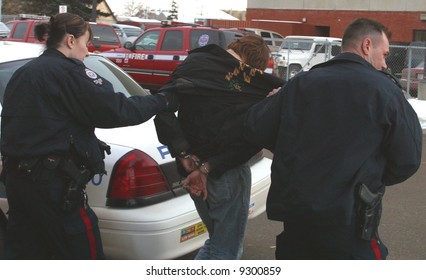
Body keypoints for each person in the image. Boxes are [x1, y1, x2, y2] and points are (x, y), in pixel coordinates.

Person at [0, 13, 176, 260]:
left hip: (18, 184)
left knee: (26, 253)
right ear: (71, 41)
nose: (87, 50)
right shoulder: (69, 73)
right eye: (86, 42)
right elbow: (119, 110)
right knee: (83, 254)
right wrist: (163, 99)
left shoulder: (24, 73)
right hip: (53, 188)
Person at [244, 18, 422, 260]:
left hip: (298, 217)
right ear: (367, 46)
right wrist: (368, 178)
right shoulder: (385, 91)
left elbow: (256, 127)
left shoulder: (299, 84)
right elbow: (407, 160)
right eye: (384, 54)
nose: (384, 63)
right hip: (350, 222)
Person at [154, 34, 284, 259]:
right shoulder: (249, 84)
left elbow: (163, 109)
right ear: (254, 65)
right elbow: (249, 139)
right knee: (227, 251)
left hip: (189, 169)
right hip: (226, 174)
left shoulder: (194, 64)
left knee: (217, 244)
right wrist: (206, 168)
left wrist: (183, 153)